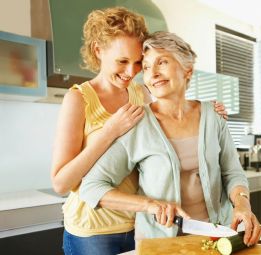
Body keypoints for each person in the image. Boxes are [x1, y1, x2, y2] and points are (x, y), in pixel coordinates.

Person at [51, 7, 226, 255]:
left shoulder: (139, 93)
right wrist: (110, 131)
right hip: (93, 230)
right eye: (122, 61)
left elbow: (169, 112)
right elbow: (60, 183)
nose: (131, 72)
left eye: (137, 63)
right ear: (98, 51)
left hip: (140, 223)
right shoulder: (79, 99)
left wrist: (207, 111)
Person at [79, 31, 261, 246]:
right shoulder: (137, 122)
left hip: (217, 236)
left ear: (188, 70)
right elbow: (92, 187)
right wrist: (150, 205)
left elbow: (232, 172)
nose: (153, 73)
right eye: (146, 67)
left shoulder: (213, 116)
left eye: (162, 62)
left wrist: (242, 204)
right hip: (160, 242)